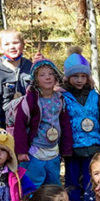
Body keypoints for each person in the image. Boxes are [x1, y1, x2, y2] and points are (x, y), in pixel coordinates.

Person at [14, 56, 74, 188]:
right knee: (32, 185)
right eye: (42, 75)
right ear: (35, 80)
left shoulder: (60, 99)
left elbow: (65, 124)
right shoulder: (31, 100)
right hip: (34, 152)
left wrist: (66, 148)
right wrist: (21, 151)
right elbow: (20, 125)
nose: (48, 77)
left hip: (53, 151)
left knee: (53, 185)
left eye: (51, 74)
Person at [61, 51, 100, 201]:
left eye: (83, 76)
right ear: (68, 77)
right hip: (73, 150)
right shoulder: (63, 97)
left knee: (93, 183)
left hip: (94, 148)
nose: (80, 80)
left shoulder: (95, 96)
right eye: (75, 76)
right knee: (72, 184)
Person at [0, 29, 34, 130]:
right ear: (0, 48)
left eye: (16, 43)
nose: (12, 47)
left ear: (23, 45)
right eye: (7, 44)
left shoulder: (30, 67)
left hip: (29, 123)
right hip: (7, 125)